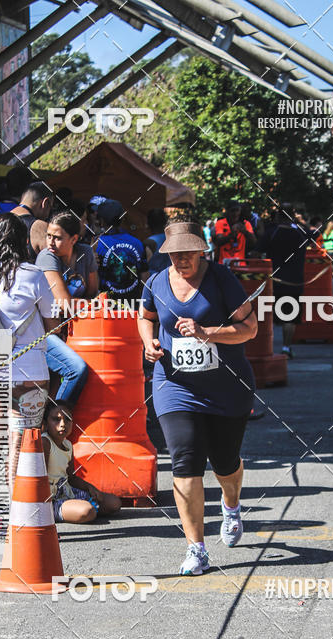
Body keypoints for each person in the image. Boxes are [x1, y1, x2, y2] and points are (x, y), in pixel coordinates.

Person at [138, 221, 257, 575]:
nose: (182, 260)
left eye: (188, 253)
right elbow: (145, 318)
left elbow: (249, 328)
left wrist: (209, 332)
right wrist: (149, 343)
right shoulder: (157, 281)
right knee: (185, 459)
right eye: (175, 254)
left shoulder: (221, 279)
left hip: (226, 387)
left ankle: (231, 505)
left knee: (224, 461)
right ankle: (196, 548)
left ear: (201, 251)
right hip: (175, 386)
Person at [0, 214, 59, 490]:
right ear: (22, 240)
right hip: (26, 373)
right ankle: (13, 522)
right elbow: (53, 326)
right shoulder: (34, 275)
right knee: (19, 441)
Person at [36, 211, 97, 408]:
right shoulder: (47, 257)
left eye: (58, 238)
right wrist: (85, 304)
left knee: (56, 385)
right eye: (48, 236)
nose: (50, 242)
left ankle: (53, 425)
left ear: (74, 239)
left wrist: (84, 303)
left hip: (75, 330)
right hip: (44, 332)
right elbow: (64, 304)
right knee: (76, 370)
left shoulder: (86, 253)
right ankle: (58, 418)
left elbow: (95, 294)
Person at [42, 402, 121, 523]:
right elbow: (40, 479)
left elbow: (71, 478)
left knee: (114, 503)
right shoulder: (45, 442)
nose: (63, 424)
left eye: (67, 420)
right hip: (50, 500)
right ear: (46, 424)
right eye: (56, 419)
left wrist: (90, 488)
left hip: (67, 492)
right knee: (87, 511)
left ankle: (76, 509)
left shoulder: (68, 444)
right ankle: (61, 512)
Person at [264, 203, 306, 358]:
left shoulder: (271, 232)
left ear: (278, 216)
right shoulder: (300, 233)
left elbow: (257, 250)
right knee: (289, 317)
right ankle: (287, 348)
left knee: (268, 316)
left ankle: (267, 347)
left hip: (273, 282)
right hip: (294, 282)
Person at [95, 199, 148, 300]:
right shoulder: (137, 242)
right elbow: (145, 276)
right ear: (122, 219)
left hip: (106, 305)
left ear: (101, 220)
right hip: (132, 304)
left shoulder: (97, 244)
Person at [10, 181, 54, 263]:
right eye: (50, 207)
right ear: (45, 203)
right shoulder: (40, 227)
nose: (48, 215)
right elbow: (52, 264)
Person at [145, 208, 169, 275]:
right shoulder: (171, 238)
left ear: (149, 223)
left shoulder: (149, 242)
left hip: (154, 280)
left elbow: (143, 267)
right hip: (169, 278)